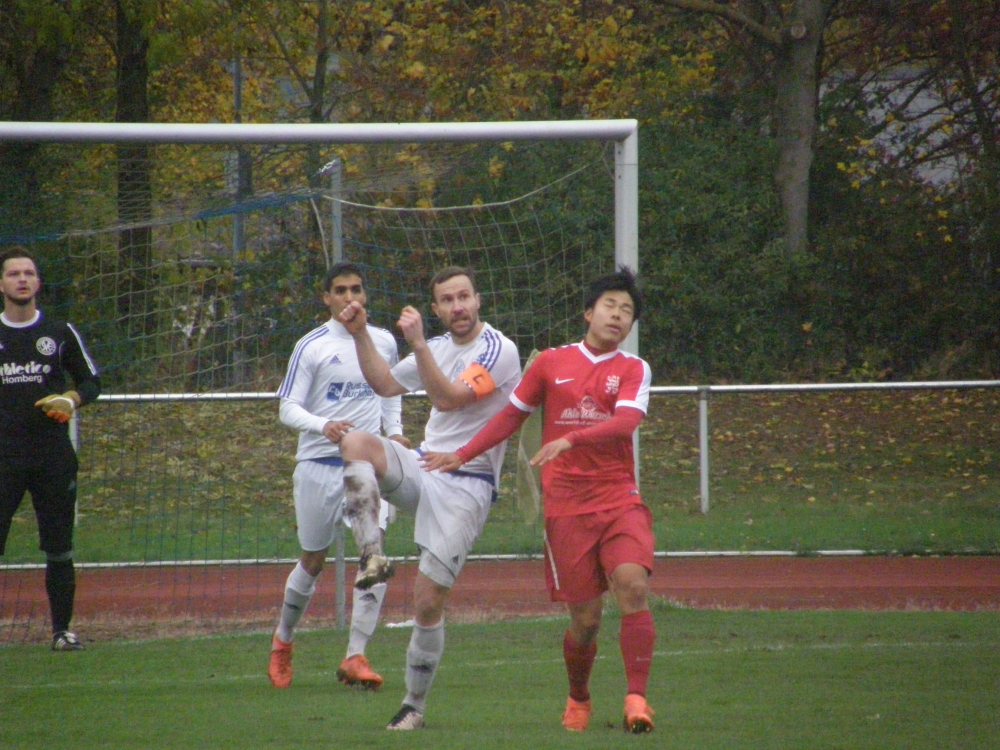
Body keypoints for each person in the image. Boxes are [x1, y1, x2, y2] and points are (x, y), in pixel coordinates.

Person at [421, 267, 657, 734]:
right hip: (566, 508)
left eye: (627, 311)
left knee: (632, 585)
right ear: (588, 312)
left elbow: (626, 423)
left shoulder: (634, 368)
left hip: (619, 500)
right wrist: (463, 454)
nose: (617, 315)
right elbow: (510, 417)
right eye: (610, 306)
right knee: (586, 621)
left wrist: (572, 439)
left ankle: (636, 700)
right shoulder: (550, 362)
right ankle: (579, 696)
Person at [336, 266, 521, 730]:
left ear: (478, 300)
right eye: (448, 300)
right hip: (425, 465)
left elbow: (450, 399)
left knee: (427, 599)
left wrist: (417, 344)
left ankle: (413, 706)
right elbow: (384, 384)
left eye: (464, 297)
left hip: (468, 481)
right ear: (436, 308)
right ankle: (371, 555)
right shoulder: (436, 346)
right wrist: (360, 334)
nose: (458, 307)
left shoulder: (498, 349)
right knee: (356, 442)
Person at [268, 262, 410, 691]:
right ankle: (283, 640)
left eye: (357, 289)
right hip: (317, 466)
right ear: (327, 298)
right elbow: (287, 408)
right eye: (341, 290)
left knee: (374, 555)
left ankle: (355, 654)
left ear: (365, 295)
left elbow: (389, 393)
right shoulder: (311, 346)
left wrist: (395, 433)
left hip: (363, 468)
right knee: (312, 561)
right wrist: (322, 425)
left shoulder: (382, 341)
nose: (350, 297)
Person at [0, 246, 101, 651]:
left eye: (28, 273)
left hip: (51, 457)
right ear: (1, 283)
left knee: (59, 548)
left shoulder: (59, 332)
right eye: (13, 274)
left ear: (39, 282)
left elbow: (92, 382)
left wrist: (70, 400)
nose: (22, 279)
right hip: (4, 458)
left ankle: (62, 631)